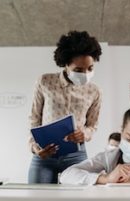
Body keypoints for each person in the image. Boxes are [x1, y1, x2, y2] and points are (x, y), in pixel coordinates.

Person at [28, 30, 102, 184]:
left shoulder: (94, 91)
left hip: (76, 154)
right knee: (37, 196)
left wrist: (85, 134)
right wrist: (34, 147)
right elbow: (34, 118)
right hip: (45, 153)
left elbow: (92, 125)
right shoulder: (45, 81)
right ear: (66, 64)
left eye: (90, 68)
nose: (86, 74)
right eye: (78, 70)